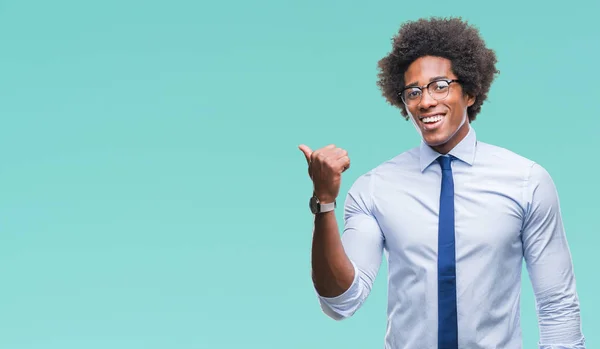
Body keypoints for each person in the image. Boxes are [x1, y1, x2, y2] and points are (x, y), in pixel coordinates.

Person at [298, 17, 585, 349]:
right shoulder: (375, 189)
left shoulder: (526, 181)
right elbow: (341, 302)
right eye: (414, 92)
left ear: (471, 92)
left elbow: (557, 304)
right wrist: (324, 203)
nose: (426, 101)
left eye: (440, 85)